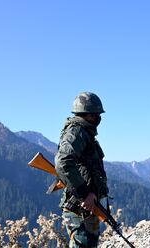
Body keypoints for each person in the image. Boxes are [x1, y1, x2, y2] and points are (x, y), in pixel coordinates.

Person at [55, 92, 108, 248]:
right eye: (96, 114)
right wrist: (84, 194)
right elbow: (63, 161)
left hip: (86, 206)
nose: (99, 118)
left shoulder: (84, 133)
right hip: (80, 208)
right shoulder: (77, 132)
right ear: (89, 114)